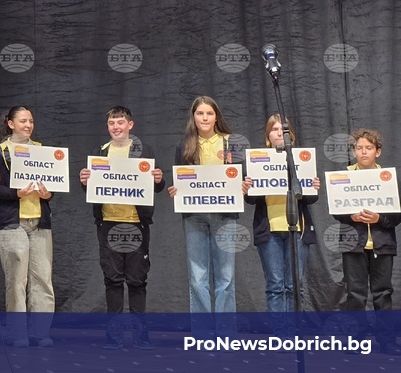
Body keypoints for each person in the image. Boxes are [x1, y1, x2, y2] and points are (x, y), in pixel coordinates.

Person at [79, 106, 163, 350]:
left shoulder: (144, 151)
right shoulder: (100, 152)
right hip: (108, 222)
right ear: (108, 127)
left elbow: (157, 186)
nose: (116, 127)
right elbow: (93, 188)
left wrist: (159, 180)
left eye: (120, 122)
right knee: (113, 280)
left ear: (130, 125)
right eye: (111, 123)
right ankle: (114, 337)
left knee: (137, 280)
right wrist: (84, 181)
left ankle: (140, 336)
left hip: (136, 223)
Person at [168, 95, 237, 334]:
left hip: (225, 215)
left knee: (226, 277)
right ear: (194, 117)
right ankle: (203, 333)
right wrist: (175, 190)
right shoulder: (185, 146)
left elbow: (241, 176)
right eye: (200, 113)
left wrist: (244, 185)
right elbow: (179, 181)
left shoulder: (230, 143)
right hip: (194, 216)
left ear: (216, 117)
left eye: (209, 113)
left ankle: (226, 333)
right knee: (198, 277)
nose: (205, 118)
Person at [241, 115, 319, 319]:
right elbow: (251, 200)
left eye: (283, 130)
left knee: (294, 285)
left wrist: (313, 187)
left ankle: (294, 330)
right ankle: (279, 332)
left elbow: (310, 198)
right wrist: (247, 189)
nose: (279, 133)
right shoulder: (257, 161)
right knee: (275, 285)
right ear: (268, 135)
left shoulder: (301, 160)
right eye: (274, 129)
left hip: (297, 230)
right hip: (270, 231)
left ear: (290, 135)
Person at [332, 128, 401, 355]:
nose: (363, 152)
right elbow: (336, 210)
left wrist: (379, 218)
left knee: (383, 293)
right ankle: (356, 340)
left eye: (368, 148)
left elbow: (397, 216)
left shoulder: (387, 178)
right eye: (359, 148)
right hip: (353, 244)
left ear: (377, 152)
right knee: (355, 294)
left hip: (383, 244)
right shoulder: (344, 176)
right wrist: (350, 216)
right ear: (354, 151)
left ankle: (387, 341)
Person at [0, 105, 54, 348]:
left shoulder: (41, 150)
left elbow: (53, 185)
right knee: (16, 281)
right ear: (10, 124)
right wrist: (15, 193)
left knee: (42, 279)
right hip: (12, 223)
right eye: (23, 121)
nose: (28, 125)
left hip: (39, 222)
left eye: (31, 121)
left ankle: (40, 332)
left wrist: (49, 194)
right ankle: (17, 333)